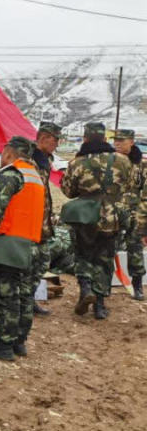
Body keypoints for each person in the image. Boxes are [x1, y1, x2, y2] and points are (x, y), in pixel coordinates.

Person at [0, 137, 44, 360]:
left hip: (8, 244)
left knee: (5, 296)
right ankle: (18, 342)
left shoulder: (11, 174)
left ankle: (3, 345)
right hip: (30, 244)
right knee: (23, 296)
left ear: (9, 153)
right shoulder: (36, 177)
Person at [61, 122, 132, 320]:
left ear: (85, 138)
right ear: (104, 139)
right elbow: (128, 184)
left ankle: (85, 290)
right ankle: (100, 306)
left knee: (84, 255)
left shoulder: (77, 162)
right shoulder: (121, 160)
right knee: (105, 260)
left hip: (85, 217)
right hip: (112, 218)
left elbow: (68, 191)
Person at [24, 122, 62, 323]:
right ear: (44, 138)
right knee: (29, 263)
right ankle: (23, 302)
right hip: (30, 220)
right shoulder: (29, 159)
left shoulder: (45, 159)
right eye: (55, 140)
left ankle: (29, 299)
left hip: (43, 220)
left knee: (42, 262)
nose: (56, 144)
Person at [113, 128, 145, 300]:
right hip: (112, 212)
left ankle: (137, 284)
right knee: (107, 248)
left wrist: (143, 219)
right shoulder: (110, 161)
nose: (117, 144)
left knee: (135, 249)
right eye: (115, 141)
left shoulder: (141, 164)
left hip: (134, 213)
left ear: (131, 142)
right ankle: (103, 287)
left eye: (121, 141)